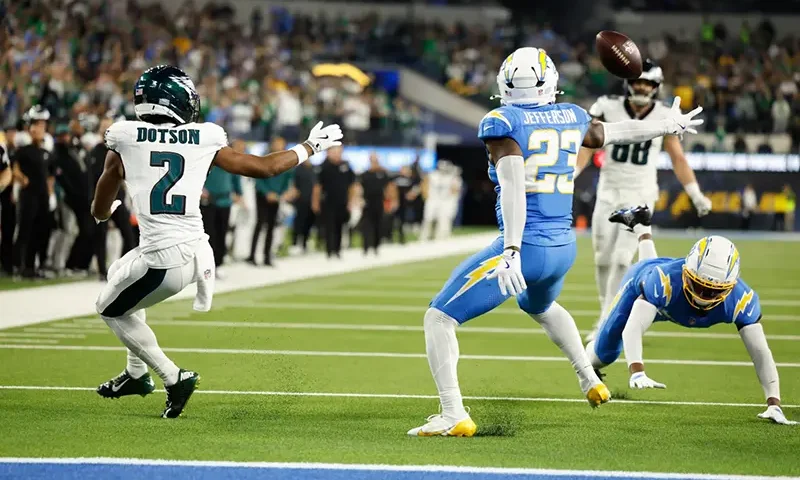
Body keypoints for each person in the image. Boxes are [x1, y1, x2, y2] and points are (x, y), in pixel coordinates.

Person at [408, 47, 703, 437]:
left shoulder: (502, 120)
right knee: (541, 305)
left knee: (439, 317)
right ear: (550, 81)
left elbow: (512, 187)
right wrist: (665, 125)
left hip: (526, 246)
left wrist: (511, 250)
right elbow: (610, 133)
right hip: (562, 247)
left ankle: (452, 414)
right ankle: (589, 378)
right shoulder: (572, 116)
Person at [91, 65, 342, 418]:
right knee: (120, 271)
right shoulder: (203, 137)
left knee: (108, 308)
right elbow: (263, 167)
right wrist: (309, 146)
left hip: (164, 259)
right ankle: (135, 374)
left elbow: (104, 192)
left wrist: (102, 214)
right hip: (195, 250)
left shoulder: (124, 137)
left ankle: (173, 377)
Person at [586, 205, 795, 425]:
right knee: (603, 355)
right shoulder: (664, 281)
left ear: (730, 286)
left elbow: (761, 353)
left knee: (659, 281)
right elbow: (634, 327)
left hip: (666, 295)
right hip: (642, 286)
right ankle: (585, 362)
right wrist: (637, 370)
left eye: (714, 291)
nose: (703, 296)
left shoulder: (741, 300)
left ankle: (641, 226)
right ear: (688, 273)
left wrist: (774, 404)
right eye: (698, 285)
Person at [575, 59, 713, 324]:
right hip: (609, 191)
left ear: (656, 87)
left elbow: (678, 158)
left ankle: (607, 320)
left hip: (640, 194)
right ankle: (607, 312)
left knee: (622, 258)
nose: (641, 87)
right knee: (603, 260)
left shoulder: (664, 114)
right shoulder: (607, 105)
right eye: (638, 81)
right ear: (628, 83)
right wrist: (573, 172)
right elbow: (588, 145)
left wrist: (695, 194)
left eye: (647, 83)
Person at [88, 116, 136, 281]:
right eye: (103, 127)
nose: (105, 130)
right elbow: (92, 178)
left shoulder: (121, 150)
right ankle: (102, 270)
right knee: (100, 235)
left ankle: (124, 268)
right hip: (101, 197)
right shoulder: (96, 151)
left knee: (128, 233)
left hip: (118, 197)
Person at [12, 106, 56, 278]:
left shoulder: (46, 152)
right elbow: (13, 167)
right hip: (28, 195)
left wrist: (51, 193)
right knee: (25, 230)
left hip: (42, 195)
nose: (40, 129)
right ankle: (18, 266)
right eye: (37, 126)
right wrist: (21, 179)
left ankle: (33, 267)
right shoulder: (23, 150)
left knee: (40, 231)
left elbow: (50, 174)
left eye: (42, 126)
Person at [250, 151, 294, 266]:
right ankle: (252, 255)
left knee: (271, 227)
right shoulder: (265, 157)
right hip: (262, 196)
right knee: (260, 224)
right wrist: (267, 192)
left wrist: (282, 193)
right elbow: (258, 177)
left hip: (276, 197)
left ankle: (267, 257)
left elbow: (287, 179)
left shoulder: (285, 162)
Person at [313, 145, 355, 259]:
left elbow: (352, 186)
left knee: (340, 226)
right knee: (329, 226)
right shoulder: (323, 167)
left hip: (342, 201)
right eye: (334, 152)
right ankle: (329, 250)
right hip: (328, 201)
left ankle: (337, 250)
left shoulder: (346, 166)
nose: (337, 154)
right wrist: (315, 202)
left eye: (339, 152)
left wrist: (351, 201)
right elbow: (317, 187)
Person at [201, 164, 242, 276]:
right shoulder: (207, 156)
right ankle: (206, 266)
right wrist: (200, 189)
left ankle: (218, 264)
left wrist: (238, 192)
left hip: (225, 201)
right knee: (208, 235)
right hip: (208, 201)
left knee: (222, 234)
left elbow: (235, 175)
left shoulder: (228, 159)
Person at [359, 152, 389, 255]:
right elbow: (359, 188)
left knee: (378, 225)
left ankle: (376, 247)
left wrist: (389, 201)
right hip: (367, 202)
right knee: (366, 226)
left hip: (379, 202)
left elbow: (388, 188)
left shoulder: (383, 174)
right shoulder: (365, 175)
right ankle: (365, 247)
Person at [290, 158, 317, 253]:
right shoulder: (297, 169)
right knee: (298, 223)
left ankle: (305, 244)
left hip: (311, 201)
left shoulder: (314, 169)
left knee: (308, 223)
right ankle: (294, 243)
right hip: (300, 200)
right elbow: (293, 184)